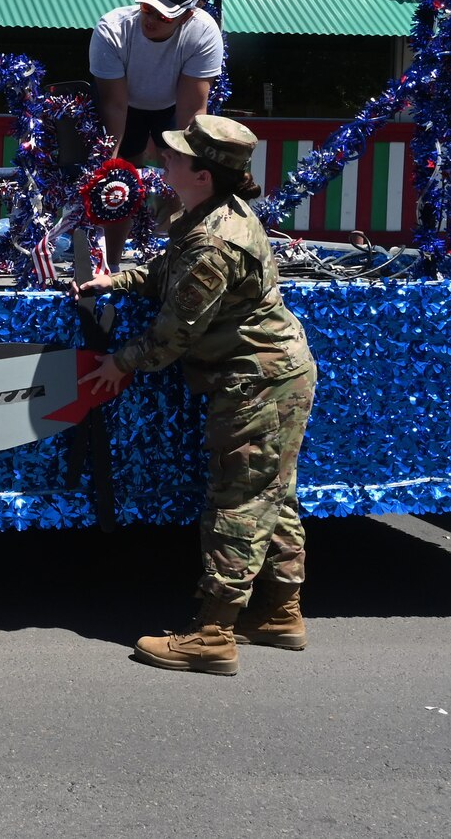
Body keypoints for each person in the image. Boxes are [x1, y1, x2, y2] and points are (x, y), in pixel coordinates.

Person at [72, 114, 317, 676]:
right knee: (269, 496)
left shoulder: (214, 241)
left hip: (257, 380)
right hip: (269, 374)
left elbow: (177, 330)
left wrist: (120, 363)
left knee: (238, 501)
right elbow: (168, 275)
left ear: (203, 174)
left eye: (178, 155)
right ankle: (281, 615)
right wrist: (120, 280)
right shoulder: (208, 217)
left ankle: (213, 634)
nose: (165, 159)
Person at [88, 0, 224, 260]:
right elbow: (114, 104)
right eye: (148, 9)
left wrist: (188, 165)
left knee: (181, 176)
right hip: (126, 106)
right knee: (119, 181)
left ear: (187, 16)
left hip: (172, 105)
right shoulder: (112, 29)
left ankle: (175, 257)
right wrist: (109, 166)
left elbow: (192, 108)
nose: (152, 19)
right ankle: (111, 263)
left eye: (164, 15)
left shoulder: (203, 31)